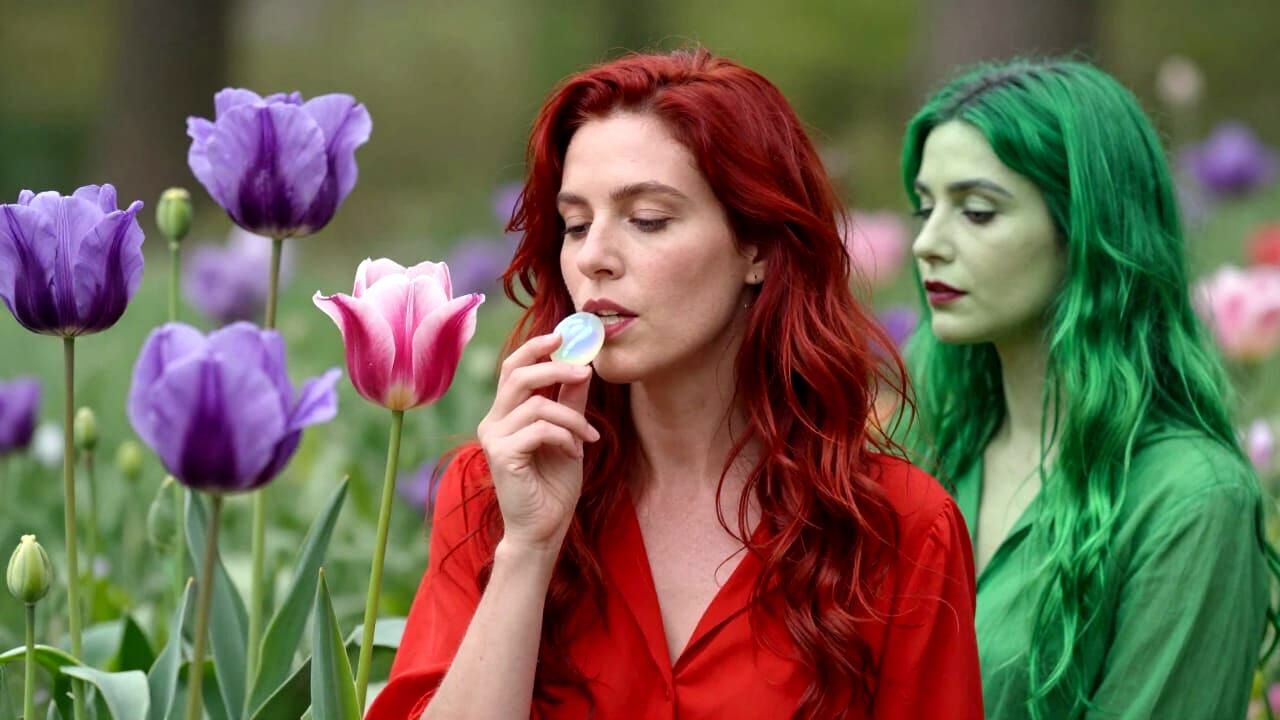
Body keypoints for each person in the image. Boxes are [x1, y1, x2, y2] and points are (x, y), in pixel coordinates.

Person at [367, 48, 983, 720]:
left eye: (648, 220)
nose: (594, 257)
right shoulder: (493, 493)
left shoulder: (901, 529)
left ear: (756, 246)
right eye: (576, 225)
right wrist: (527, 551)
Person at [900, 57, 1279, 719]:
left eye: (977, 212)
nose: (926, 244)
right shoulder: (930, 453)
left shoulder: (1190, 500)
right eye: (925, 209)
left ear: (1086, 228)